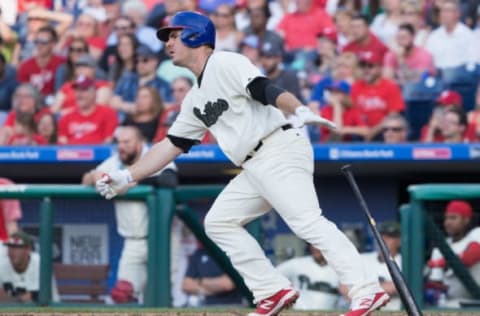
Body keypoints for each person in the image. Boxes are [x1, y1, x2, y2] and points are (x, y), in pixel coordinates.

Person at [95, 11, 389, 316]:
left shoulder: (224, 61)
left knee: (306, 221)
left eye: (174, 34)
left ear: (195, 34)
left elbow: (263, 89)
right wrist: (127, 176)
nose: (168, 42)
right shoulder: (194, 98)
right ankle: (271, 290)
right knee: (220, 222)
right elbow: (172, 145)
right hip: (254, 164)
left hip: (277, 147)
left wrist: (298, 108)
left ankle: (366, 289)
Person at [82, 125, 177, 303]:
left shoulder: (155, 154)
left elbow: (169, 179)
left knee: (164, 297)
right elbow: (86, 178)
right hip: (133, 242)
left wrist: (129, 180)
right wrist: (96, 176)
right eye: (119, 142)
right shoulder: (115, 162)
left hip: (164, 241)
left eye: (127, 142)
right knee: (123, 294)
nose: (121, 146)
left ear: (140, 143)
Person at [427, 200, 480, 308]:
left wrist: (440, 263)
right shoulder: (441, 247)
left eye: (453, 218)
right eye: (446, 218)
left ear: (466, 220)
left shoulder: (476, 234)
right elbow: (436, 282)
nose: (448, 222)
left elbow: (469, 258)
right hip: (453, 303)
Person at [276, 244, 342, 310]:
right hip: (298, 313)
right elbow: (273, 277)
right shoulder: (297, 263)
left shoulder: (340, 269)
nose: (315, 248)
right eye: (312, 244)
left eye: (318, 244)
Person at [0, 231, 59, 303]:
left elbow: (40, 296)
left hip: (46, 309)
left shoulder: (40, 264)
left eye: (17, 247)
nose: (12, 251)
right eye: (10, 247)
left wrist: (17, 298)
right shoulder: (2, 265)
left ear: (28, 249)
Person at [360, 222, 402, 311]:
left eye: (390, 237)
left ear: (399, 241)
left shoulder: (404, 262)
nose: (384, 240)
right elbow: (344, 286)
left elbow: (398, 286)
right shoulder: (364, 258)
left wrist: (362, 289)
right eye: (382, 236)